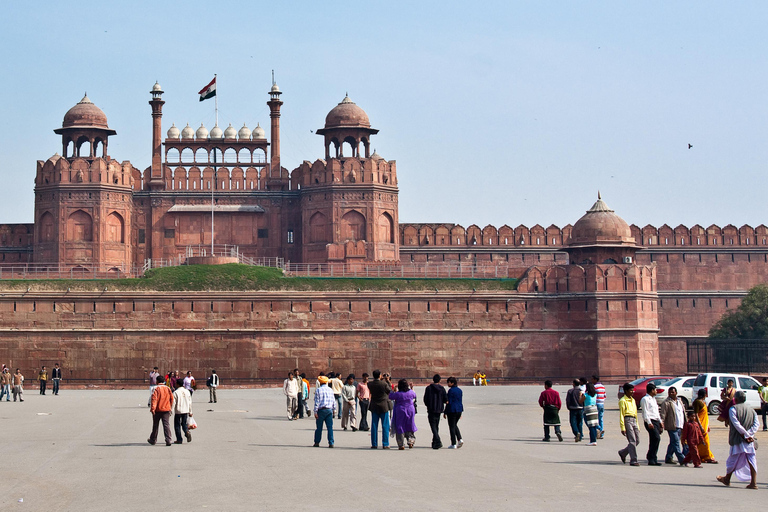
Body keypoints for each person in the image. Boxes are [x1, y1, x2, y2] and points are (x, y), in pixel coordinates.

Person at [717, 391, 759, 489]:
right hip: (749, 440)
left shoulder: (733, 409)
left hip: (738, 439)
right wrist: (750, 435)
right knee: (751, 460)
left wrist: (745, 435)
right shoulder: (752, 410)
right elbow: (756, 425)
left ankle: (727, 479)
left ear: (736, 399)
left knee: (733, 459)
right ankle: (753, 482)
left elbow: (736, 424)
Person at [389, 379, 418, 449]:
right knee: (410, 425)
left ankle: (401, 443)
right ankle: (410, 440)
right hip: (410, 410)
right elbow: (414, 395)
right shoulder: (410, 392)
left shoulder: (398, 394)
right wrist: (412, 388)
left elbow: (390, 396)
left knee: (400, 426)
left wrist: (393, 389)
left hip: (400, 410)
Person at [660, 386, 685, 465]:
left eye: (673, 392)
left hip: (680, 425)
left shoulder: (680, 401)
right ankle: (682, 459)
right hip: (672, 426)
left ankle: (668, 457)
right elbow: (663, 414)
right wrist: (662, 423)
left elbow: (683, 413)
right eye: (669, 392)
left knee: (673, 443)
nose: (671, 394)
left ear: (676, 393)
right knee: (676, 442)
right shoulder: (666, 402)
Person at [367, 370, 391, 449]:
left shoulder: (370, 384)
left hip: (374, 405)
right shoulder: (384, 384)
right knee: (385, 426)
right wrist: (387, 380)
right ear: (380, 375)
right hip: (383, 406)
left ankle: (374, 444)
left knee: (374, 425)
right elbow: (389, 391)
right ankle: (385, 443)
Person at [148, 375, 175, 446]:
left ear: (157, 381)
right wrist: (170, 407)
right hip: (166, 409)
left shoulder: (156, 388)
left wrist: (153, 409)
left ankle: (153, 439)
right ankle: (168, 440)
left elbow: (154, 399)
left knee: (155, 425)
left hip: (158, 409)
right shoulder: (167, 388)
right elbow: (172, 399)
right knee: (166, 425)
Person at [640, 383, 663, 466]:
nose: (656, 391)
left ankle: (653, 458)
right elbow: (645, 412)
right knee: (656, 438)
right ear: (652, 390)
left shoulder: (653, 399)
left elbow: (656, 412)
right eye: (655, 390)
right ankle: (650, 456)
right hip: (650, 421)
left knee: (654, 439)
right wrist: (649, 422)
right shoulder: (645, 399)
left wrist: (660, 421)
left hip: (656, 421)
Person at [692, 389, 717, 463]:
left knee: (705, 442)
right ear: (704, 395)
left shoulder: (703, 402)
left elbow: (705, 415)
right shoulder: (697, 402)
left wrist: (707, 425)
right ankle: (706, 457)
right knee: (704, 442)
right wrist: (700, 425)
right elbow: (696, 414)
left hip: (704, 424)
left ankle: (705, 456)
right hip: (700, 425)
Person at [618, 382, 640, 466]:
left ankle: (623, 452)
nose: (632, 392)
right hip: (627, 420)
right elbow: (621, 414)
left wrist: (637, 425)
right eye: (631, 390)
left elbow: (635, 413)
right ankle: (633, 459)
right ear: (626, 391)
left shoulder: (633, 400)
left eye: (633, 390)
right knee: (632, 441)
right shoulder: (623, 401)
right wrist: (622, 427)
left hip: (634, 420)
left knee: (637, 440)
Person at [424, 374, 448, 449]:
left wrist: (428, 405)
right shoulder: (442, 388)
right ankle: (435, 443)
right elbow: (445, 399)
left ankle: (437, 440)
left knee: (433, 426)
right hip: (439, 409)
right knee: (436, 426)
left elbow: (425, 399)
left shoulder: (428, 388)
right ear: (439, 380)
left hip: (431, 409)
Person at [313, 375, 336, 448]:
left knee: (319, 427)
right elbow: (333, 400)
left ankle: (317, 442)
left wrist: (315, 411)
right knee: (330, 428)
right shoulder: (330, 390)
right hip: (329, 410)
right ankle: (331, 442)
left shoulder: (318, 390)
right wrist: (334, 410)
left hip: (321, 410)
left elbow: (317, 402)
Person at [444, 376, 464, 449]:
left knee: (451, 426)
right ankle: (460, 439)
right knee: (454, 425)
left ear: (452, 383)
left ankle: (453, 443)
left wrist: (445, 412)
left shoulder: (451, 391)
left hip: (452, 410)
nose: (447, 384)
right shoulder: (460, 390)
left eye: (448, 382)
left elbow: (449, 402)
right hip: (459, 409)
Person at [172, 379, 193, 444]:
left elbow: (173, 403)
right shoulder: (187, 391)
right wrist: (190, 411)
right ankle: (187, 431)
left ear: (177, 384)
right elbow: (190, 402)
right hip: (186, 410)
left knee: (177, 425)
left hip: (178, 411)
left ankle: (179, 439)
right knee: (184, 424)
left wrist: (171, 411)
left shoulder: (176, 392)